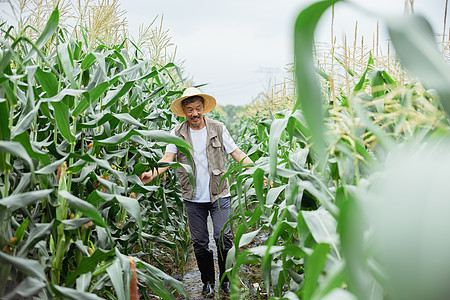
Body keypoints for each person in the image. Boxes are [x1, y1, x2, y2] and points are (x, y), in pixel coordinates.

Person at [140, 87, 253, 297]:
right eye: (190, 109)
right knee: (200, 242)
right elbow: (168, 157)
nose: (194, 113)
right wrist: (152, 173)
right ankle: (207, 282)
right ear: (184, 111)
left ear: (204, 109)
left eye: (198, 108)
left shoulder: (218, 129)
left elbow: (236, 152)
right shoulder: (177, 132)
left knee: (223, 237)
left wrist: (256, 171)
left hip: (219, 193)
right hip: (192, 197)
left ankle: (225, 281)